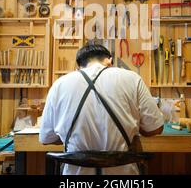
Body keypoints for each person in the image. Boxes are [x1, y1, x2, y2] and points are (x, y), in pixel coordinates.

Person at [40, 44, 164, 175]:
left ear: (78, 66)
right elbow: (156, 128)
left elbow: (46, 137)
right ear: (109, 61)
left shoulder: (60, 84)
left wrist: (72, 136)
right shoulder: (132, 78)